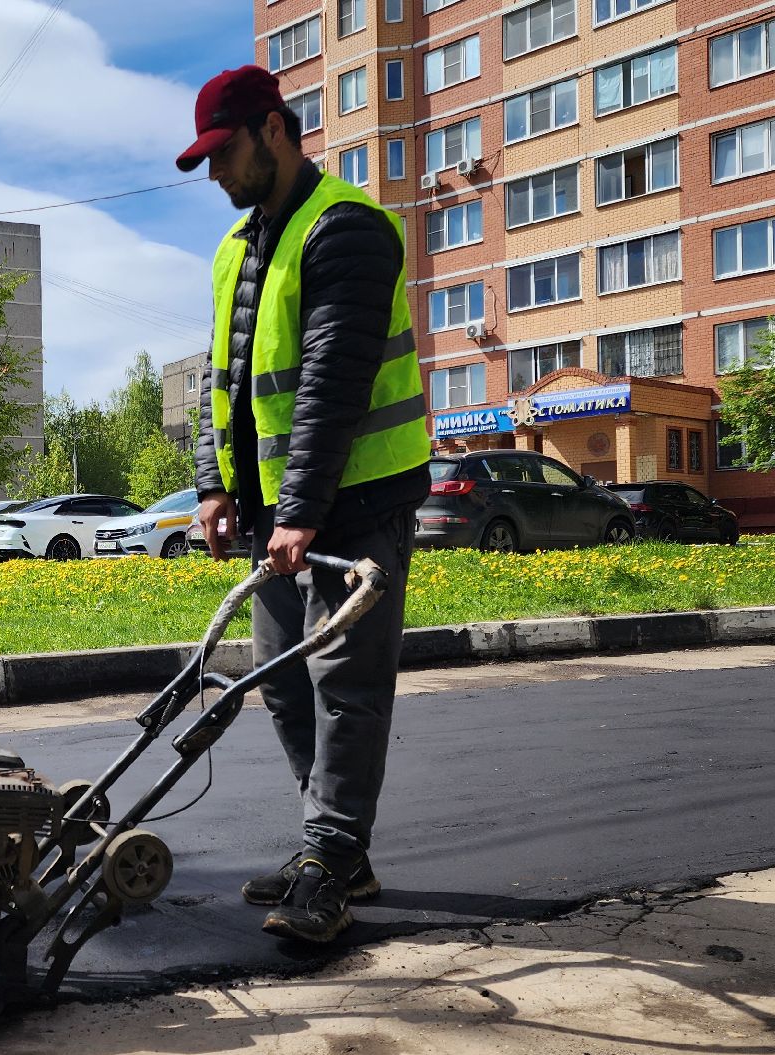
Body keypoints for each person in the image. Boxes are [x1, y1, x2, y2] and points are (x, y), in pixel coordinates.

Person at [177, 65, 430, 944]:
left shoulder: (349, 229)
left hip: (353, 506)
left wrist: (300, 509)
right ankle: (337, 851)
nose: (216, 176)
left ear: (275, 130)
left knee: (346, 688)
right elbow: (223, 380)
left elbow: (331, 382)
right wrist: (213, 487)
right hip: (277, 511)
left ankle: (328, 856)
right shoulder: (237, 248)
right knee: (280, 682)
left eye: (224, 154)